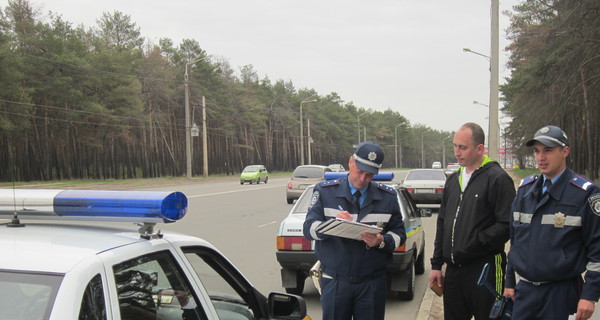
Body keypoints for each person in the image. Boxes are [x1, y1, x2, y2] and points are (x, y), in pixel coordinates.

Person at [504, 125, 600, 320]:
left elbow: (597, 250)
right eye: (537, 151)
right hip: (525, 293)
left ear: (565, 151)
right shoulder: (525, 191)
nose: (541, 157)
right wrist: (509, 282)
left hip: (561, 294)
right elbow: (516, 242)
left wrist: (590, 295)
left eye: (548, 150)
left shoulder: (585, 194)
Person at [303, 141, 406, 320]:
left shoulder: (387, 198)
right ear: (351, 162)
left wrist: (381, 240)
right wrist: (331, 225)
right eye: (360, 172)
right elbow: (308, 229)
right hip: (335, 280)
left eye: (369, 175)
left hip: (372, 282)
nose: (362, 179)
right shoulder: (325, 192)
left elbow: (399, 234)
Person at [429, 122, 515, 320]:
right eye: (455, 146)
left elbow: (507, 224)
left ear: (479, 148)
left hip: (485, 270)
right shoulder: (453, 180)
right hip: (453, 273)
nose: (457, 152)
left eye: (463, 147)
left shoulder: (497, 178)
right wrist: (436, 264)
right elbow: (442, 223)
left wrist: (476, 242)